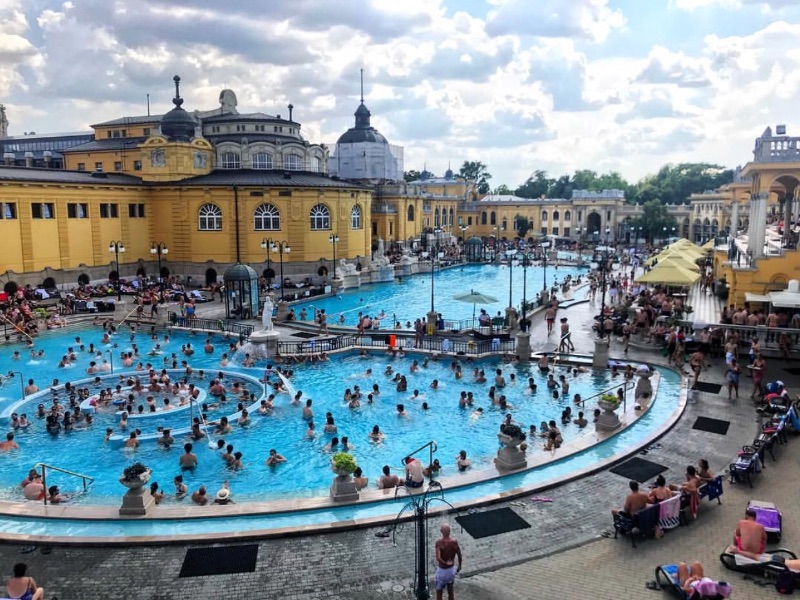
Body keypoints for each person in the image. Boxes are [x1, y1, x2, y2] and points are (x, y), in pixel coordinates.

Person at [434, 523, 462, 600]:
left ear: (441, 531)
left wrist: (445, 563)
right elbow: (459, 554)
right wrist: (459, 566)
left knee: (439, 592)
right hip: (451, 570)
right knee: (450, 591)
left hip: (442, 571)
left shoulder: (439, 542)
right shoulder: (454, 542)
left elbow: (438, 557)